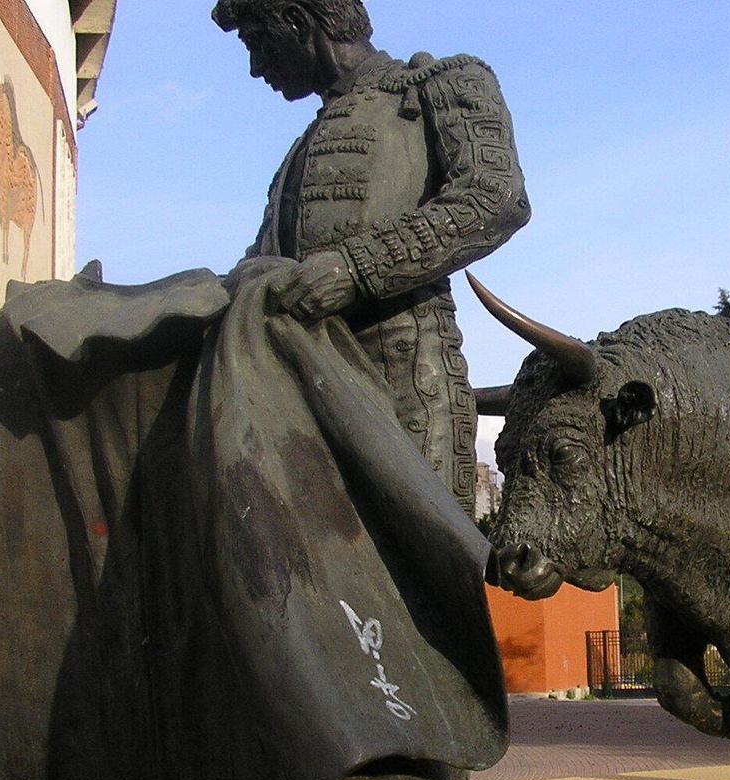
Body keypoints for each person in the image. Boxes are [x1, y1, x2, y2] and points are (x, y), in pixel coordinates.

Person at [213, 0, 530, 515]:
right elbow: (265, 262)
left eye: (258, 43)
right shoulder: (301, 149)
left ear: (297, 23)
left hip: (405, 389)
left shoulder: (441, 83)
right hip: (303, 393)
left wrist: (355, 268)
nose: (256, 68)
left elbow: (495, 197)